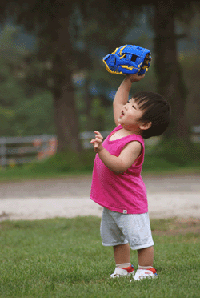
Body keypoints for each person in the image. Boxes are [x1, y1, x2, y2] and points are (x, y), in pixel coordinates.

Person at [90, 73, 170, 280]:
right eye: (131, 102)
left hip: (129, 201)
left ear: (144, 125)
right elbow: (119, 100)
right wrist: (128, 82)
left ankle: (146, 269)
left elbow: (119, 166)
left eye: (133, 107)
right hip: (112, 200)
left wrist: (101, 151)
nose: (126, 106)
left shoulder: (134, 143)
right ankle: (124, 267)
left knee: (140, 239)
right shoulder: (120, 126)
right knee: (116, 237)